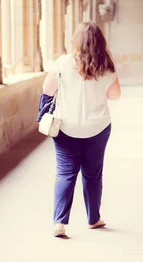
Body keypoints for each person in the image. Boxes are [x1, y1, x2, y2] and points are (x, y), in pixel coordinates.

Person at [41, 22, 121, 238]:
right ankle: (94, 218)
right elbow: (115, 95)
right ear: (100, 41)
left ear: (76, 40)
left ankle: (59, 223)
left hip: (66, 127)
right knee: (93, 174)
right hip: (98, 127)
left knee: (66, 173)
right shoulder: (106, 66)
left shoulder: (63, 62)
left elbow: (47, 90)